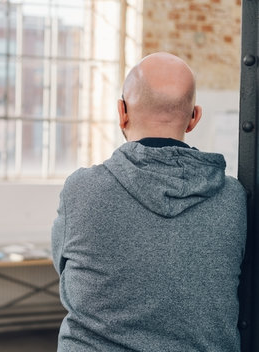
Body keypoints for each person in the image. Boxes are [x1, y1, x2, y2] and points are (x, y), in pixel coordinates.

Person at [51, 52, 247, 351]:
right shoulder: (233, 198)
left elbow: (65, 271)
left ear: (122, 112)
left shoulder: (82, 190)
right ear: (194, 117)